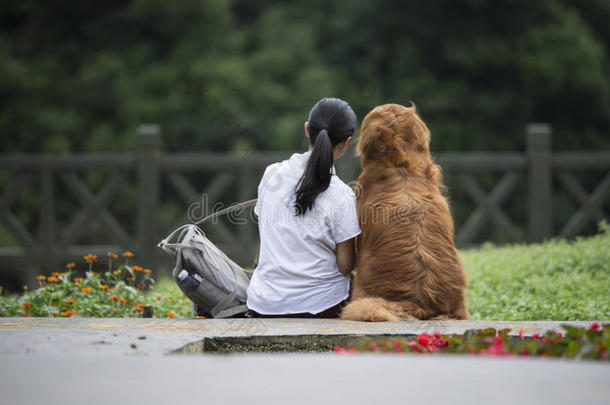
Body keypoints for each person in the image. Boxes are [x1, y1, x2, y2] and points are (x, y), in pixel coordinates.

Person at [247, 98, 361, 318]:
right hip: (323, 307)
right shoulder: (342, 195)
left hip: (264, 306)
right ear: (347, 143)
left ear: (307, 130)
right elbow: (345, 266)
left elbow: (262, 247)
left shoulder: (271, 174)